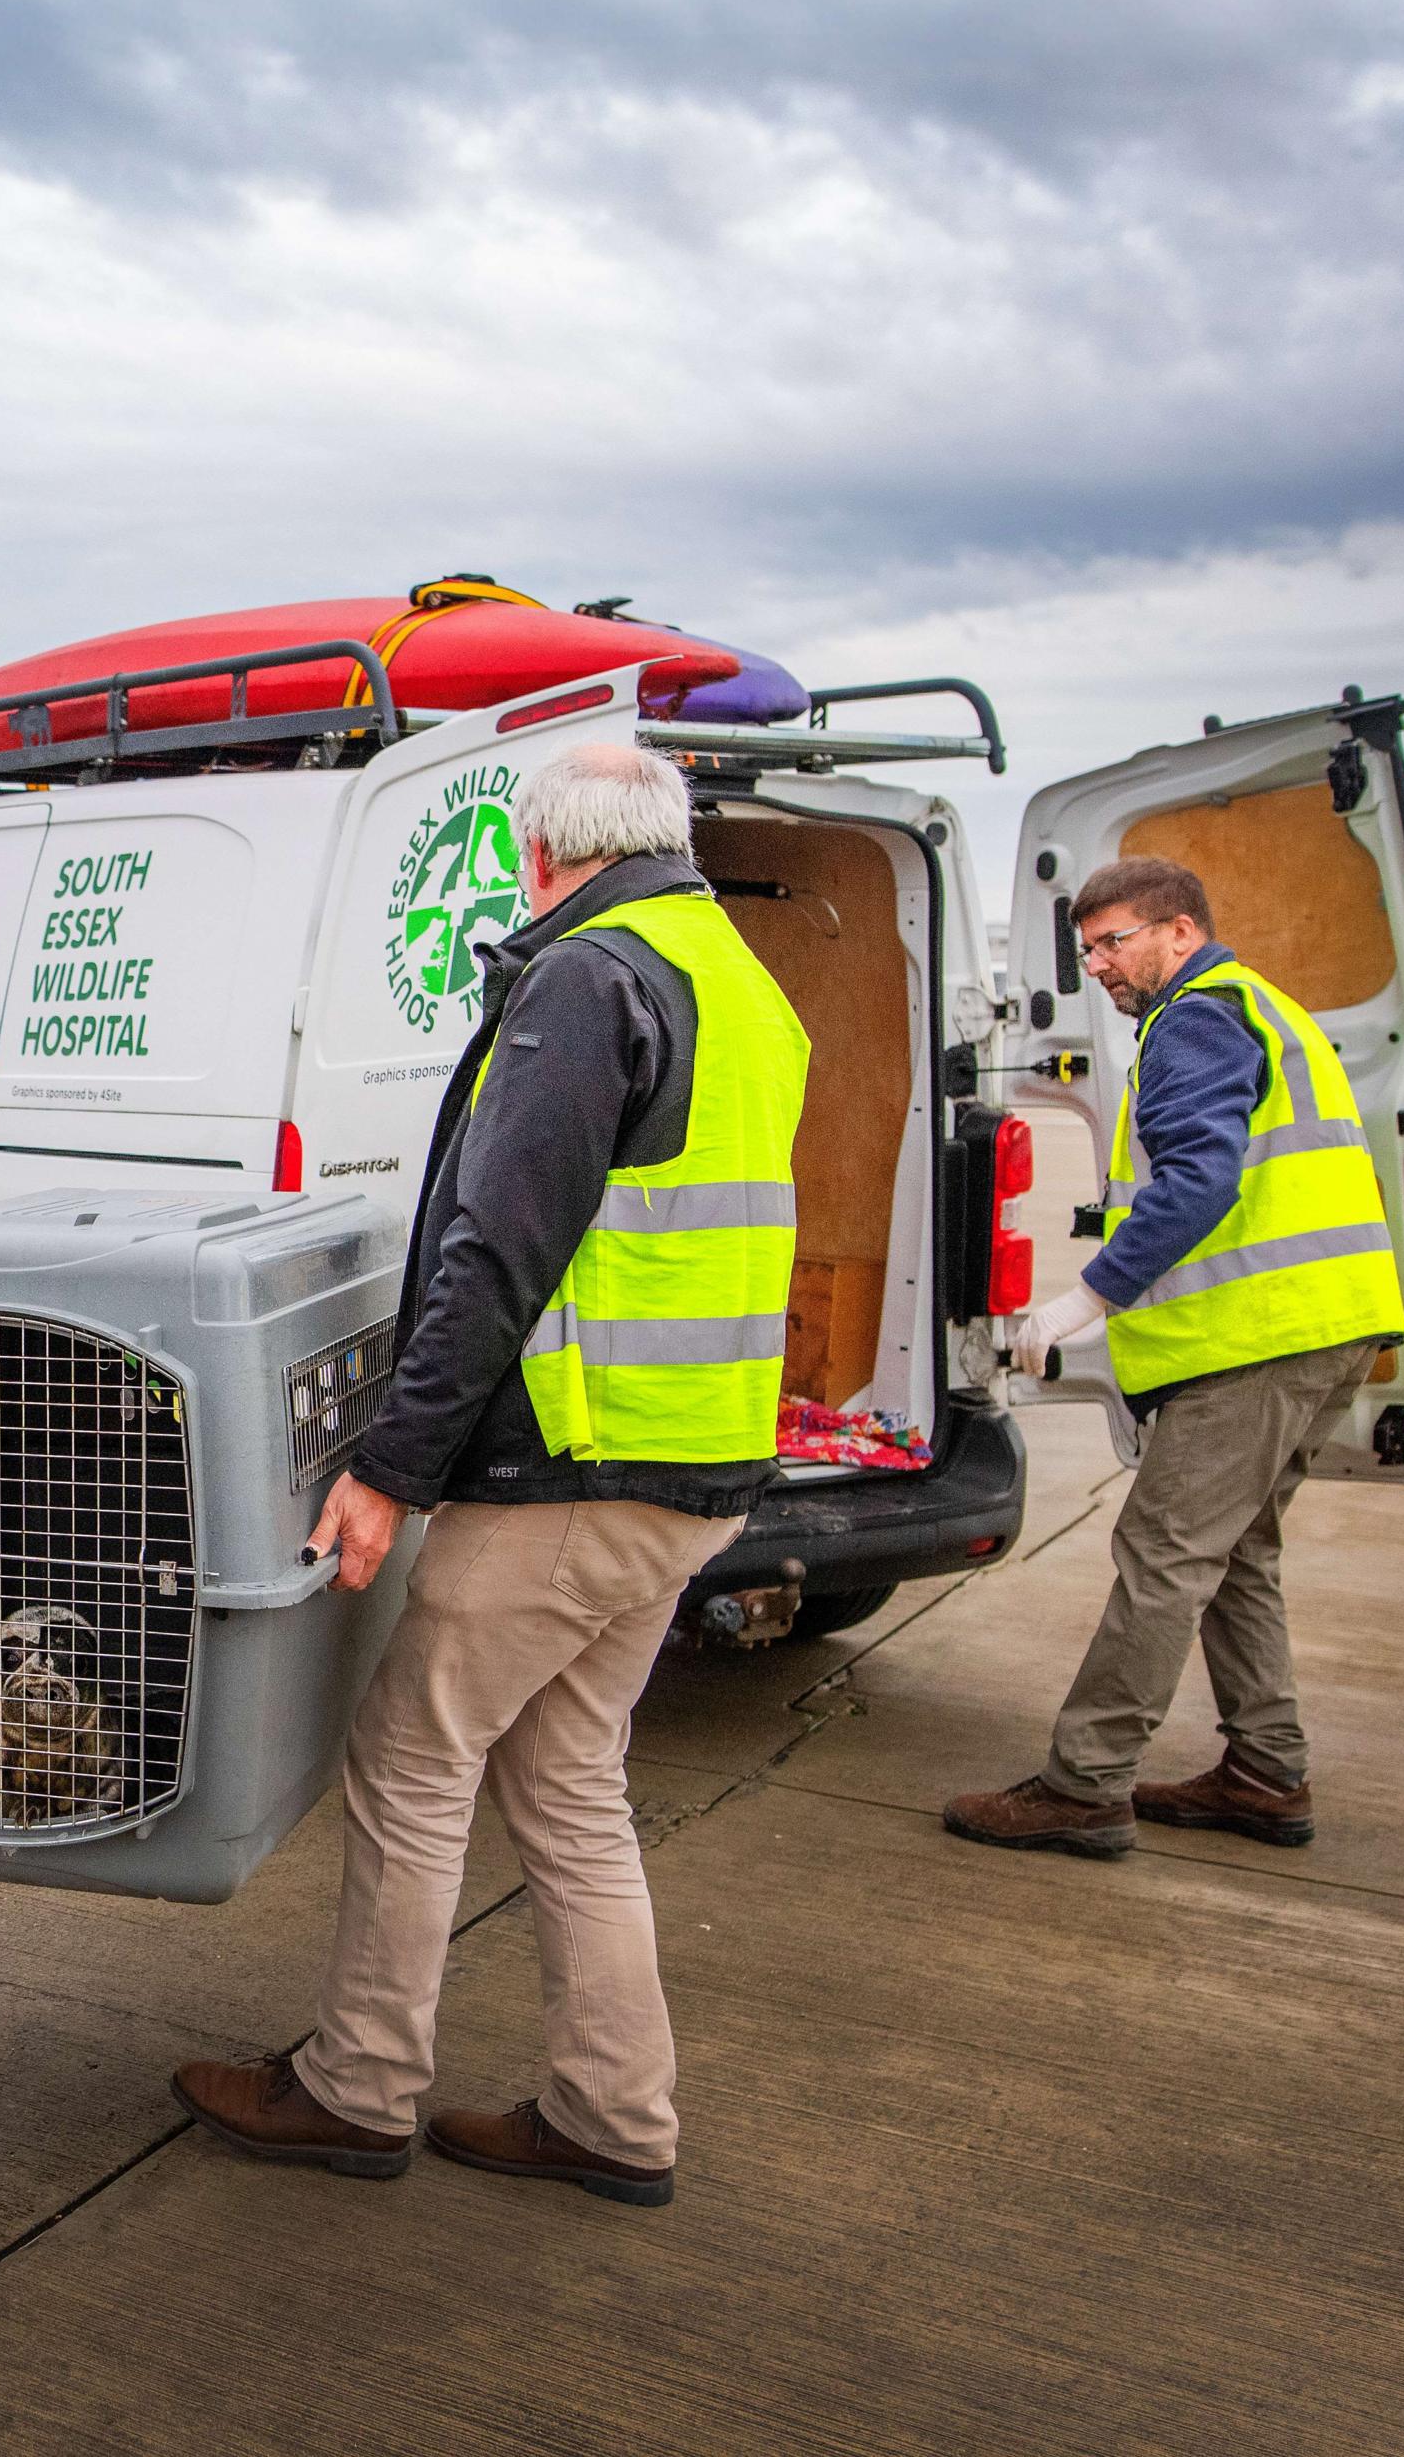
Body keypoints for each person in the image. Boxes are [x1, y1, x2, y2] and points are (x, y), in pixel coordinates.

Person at [173, 739, 807, 2209]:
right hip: (694, 1462)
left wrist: (391, 1464)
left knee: (407, 1756)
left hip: (578, 1463)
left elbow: (496, 1247)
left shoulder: (590, 975)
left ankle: (356, 2085)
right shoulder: (735, 972)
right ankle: (612, 2109)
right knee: (571, 1777)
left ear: (540, 854)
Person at [942, 857, 1404, 1857]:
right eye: (1087, 948)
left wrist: (1084, 1299)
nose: (1100, 965)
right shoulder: (1260, 1007)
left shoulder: (1195, 1018)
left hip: (1264, 1337)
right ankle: (1265, 1775)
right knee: (1236, 1556)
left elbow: (1199, 1182)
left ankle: (1086, 1785)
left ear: (1182, 932)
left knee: (1163, 1555)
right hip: (1321, 1324)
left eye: (1116, 941)